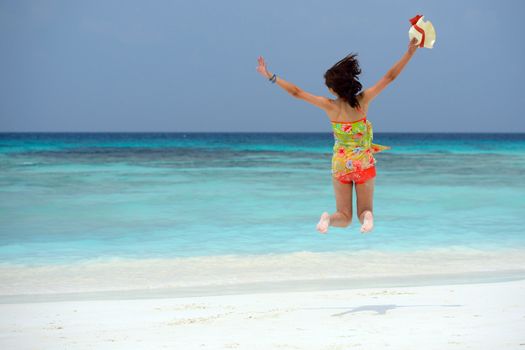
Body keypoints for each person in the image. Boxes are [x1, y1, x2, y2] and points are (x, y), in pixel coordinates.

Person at [257, 37, 419, 234]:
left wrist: (270, 76)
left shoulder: (329, 106)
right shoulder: (364, 100)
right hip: (363, 162)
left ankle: (327, 219)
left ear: (333, 89)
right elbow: (390, 77)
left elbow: (296, 92)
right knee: (363, 212)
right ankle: (368, 218)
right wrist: (409, 53)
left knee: (343, 216)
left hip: (341, 163)